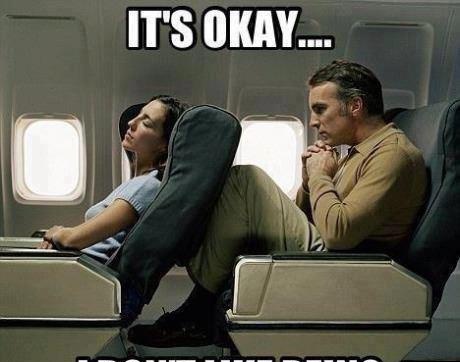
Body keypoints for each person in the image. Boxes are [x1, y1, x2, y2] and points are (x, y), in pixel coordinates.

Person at [129, 60, 427, 347]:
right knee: (244, 204)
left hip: (350, 268)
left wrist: (320, 176)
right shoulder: (353, 151)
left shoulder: (392, 155)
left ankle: (197, 308)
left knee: (246, 180)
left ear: (355, 106)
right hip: (333, 253)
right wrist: (309, 182)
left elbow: (339, 233)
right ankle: (198, 302)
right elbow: (307, 216)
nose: (313, 121)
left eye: (320, 109)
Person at [39, 95, 189, 264]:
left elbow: (72, 239)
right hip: (81, 266)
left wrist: (57, 233)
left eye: (146, 123)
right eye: (138, 115)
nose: (131, 123)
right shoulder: (138, 183)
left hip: (89, 272)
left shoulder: (147, 186)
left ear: (165, 144)